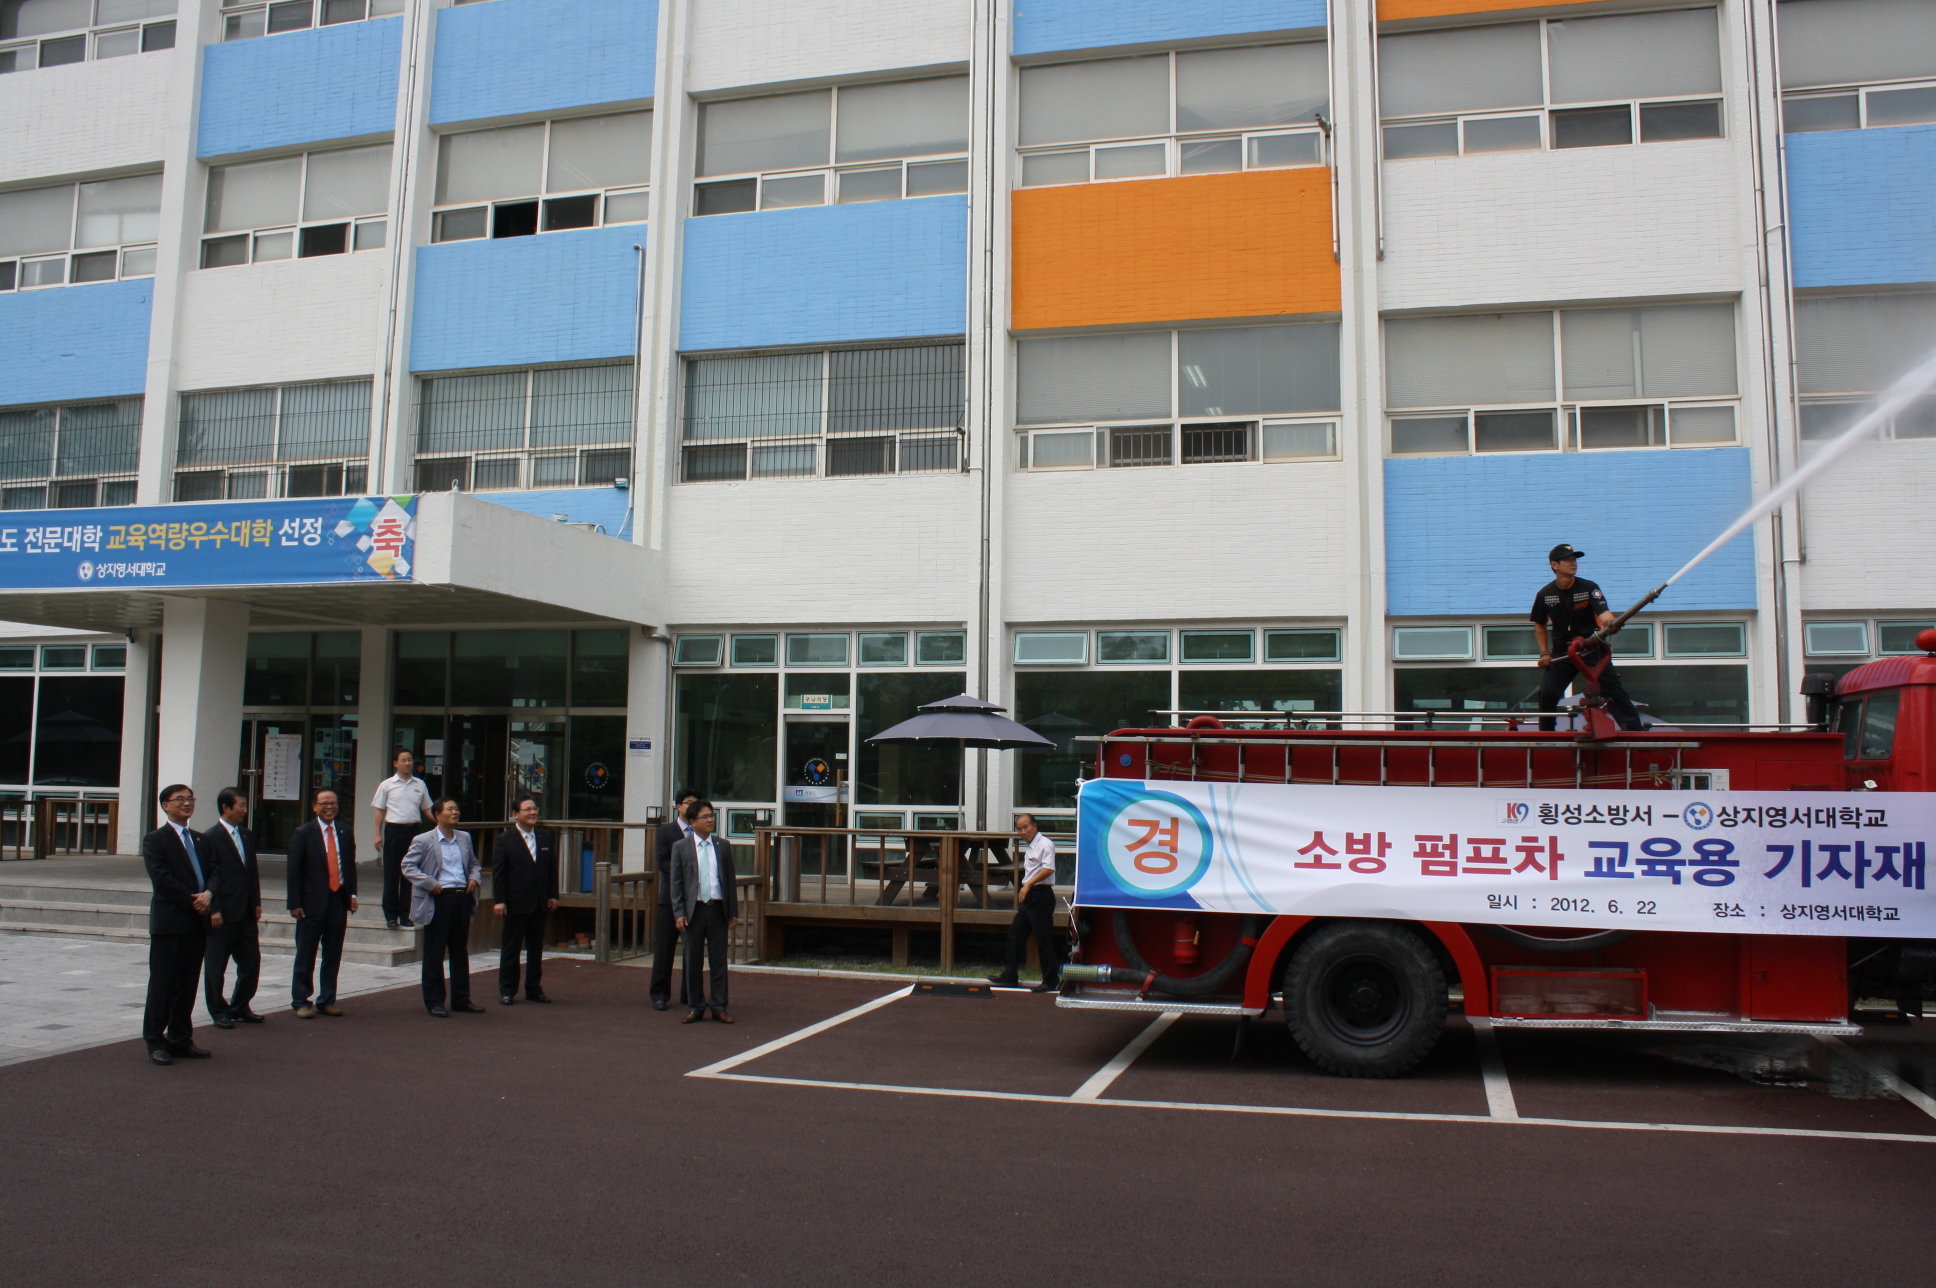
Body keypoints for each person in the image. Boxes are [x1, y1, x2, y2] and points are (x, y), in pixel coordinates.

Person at [140, 784, 221, 1065]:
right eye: (180, 799)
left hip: (197, 923)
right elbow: (162, 879)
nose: (187, 803)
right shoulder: (155, 840)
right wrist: (193, 901)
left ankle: (180, 1038)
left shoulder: (202, 840)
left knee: (187, 984)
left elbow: (215, 871)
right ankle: (155, 1040)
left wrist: (209, 894)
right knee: (163, 984)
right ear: (166, 805)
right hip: (171, 922)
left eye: (190, 799)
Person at [1530, 543, 1643, 732]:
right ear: (1554, 565)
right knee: (1547, 693)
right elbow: (1539, 624)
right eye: (1567, 560)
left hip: (1591, 650)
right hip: (1563, 654)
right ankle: (1546, 736)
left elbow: (1604, 613)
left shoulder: (1589, 588)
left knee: (1614, 692)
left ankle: (1636, 735)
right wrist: (1544, 653)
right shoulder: (1545, 594)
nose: (1573, 563)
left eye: (1574, 559)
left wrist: (1610, 623)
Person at [403, 797, 483, 1018]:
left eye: (456, 809)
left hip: (461, 898)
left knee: (460, 951)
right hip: (438, 898)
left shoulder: (464, 838)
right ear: (437, 815)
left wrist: (474, 878)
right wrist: (429, 883)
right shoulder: (423, 840)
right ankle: (434, 1001)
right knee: (435, 952)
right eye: (450, 809)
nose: (455, 812)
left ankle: (461, 999)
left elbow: (474, 864)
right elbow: (408, 866)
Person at [287, 787, 357, 1019]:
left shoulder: (346, 831)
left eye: (333, 803)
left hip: (338, 899)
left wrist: (352, 895)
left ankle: (327, 1000)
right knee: (306, 952)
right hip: (311, 902)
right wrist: (295, 903)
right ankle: (301, 1001)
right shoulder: (303, 833)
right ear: (314, 807)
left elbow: (349, 866)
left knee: (333, 952)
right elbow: (294, 871)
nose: (329, 807)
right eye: (324, 803)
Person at [669, 800, 736, 1024]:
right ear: (692, 822)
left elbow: (729, 880)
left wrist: (733, 911)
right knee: (693, 961)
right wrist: (679, 912)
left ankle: (719, 1006)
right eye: (705, 817)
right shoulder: (681, 847)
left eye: (711, 816)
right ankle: (696, 1006)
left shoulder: (723, 846)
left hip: (717, 909)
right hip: (693, 911)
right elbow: (676, 883)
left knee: (718, 961)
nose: (710, 820)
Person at [202, 786, 263, 1029]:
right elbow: (209, 876)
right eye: (241, 806)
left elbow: (252, 871)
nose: (245, 810)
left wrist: (256, 901)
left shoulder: (247, 835)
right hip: (223, 912)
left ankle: (240, 1006)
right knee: (216, 965)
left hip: (245, 910)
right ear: (226, 807)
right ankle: (218, 1010)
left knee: (251, 962)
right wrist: (213, 908)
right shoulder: (210, 837)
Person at [491, 792, 557, 1006]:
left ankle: (533, 989)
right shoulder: (504, 840)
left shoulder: (545, 837)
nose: (532, 812)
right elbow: (499, 873)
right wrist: (499, 900)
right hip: (515, 902)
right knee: (511, 948)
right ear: (515, 814)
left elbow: (551, 869)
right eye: (527, 809)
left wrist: (553, 894)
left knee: (536, 949)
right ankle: (507, 990)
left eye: (534, 808)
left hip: (539, 901)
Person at [989, 814, 1062, 992]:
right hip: (1029, 896)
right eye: (1019, 829)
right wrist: (1026, 887)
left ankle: (1051, 980)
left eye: (1026, 827)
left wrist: (1028, 884)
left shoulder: (1045, 844)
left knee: (1043, 939)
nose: (1023, 832)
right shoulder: (1030, 846)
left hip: (1041, 895)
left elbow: (1048, 869)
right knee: (1015, 935)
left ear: (1035, 826)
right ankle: (1009, 976)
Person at [371, 748, 436, 929]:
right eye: (403, 760)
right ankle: (391, 916)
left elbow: (426, 808)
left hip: (413, 832)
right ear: (395, 763)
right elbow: (379, 811)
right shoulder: (387, 785)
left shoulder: (420, 784)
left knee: (410, 874)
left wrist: (441, 820)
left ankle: (406, 914)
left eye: (410, 760)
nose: (407, 763)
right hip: (394, 831)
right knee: (392, 875)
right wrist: (377, 833)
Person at [649, 789, 699, 1011]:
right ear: (678, 806)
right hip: (670, 898)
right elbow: (663, 861)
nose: (692, 806)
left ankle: (690, 994)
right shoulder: (666, 832)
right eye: (688, 802)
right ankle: (659, 994)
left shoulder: (700, 832)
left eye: (696, 803)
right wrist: (686, 876)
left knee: (693, 949)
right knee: (664, 948)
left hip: (695, 899)